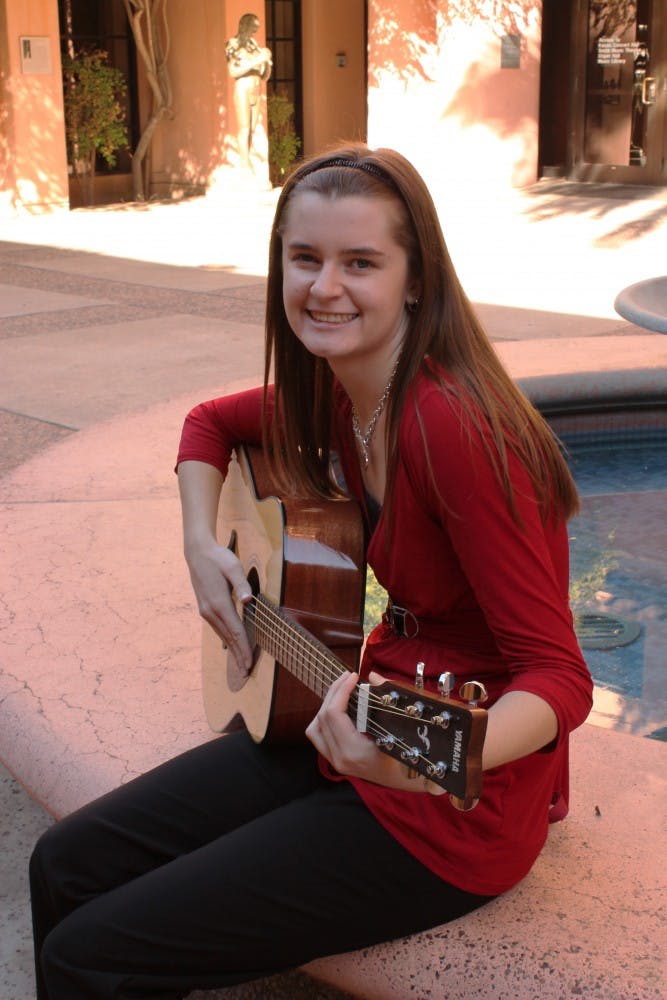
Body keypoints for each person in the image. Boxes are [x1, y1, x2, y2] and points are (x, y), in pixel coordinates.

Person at [29, 144, 593, 999]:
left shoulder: (454, 428)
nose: (323, 287)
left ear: (414, 279)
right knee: (63, 863)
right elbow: (206, 425)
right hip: (349, 709)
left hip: (449, 809)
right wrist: (201, 552)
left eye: (359, 262)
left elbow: (559, 678)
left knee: (87, 955)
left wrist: (431, 758)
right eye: (305, 258)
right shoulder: (342, 397)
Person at [225, 12, 272, 170]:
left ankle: (249, 160)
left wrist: (267, 62)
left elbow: (264, 76)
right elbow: (233, 71)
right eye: (253, 28)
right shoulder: (233, 44)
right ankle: (244, 165)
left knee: (252, 128)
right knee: (244, 128)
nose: (254, 32)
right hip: (243, 88)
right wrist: (257, 60)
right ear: (243, 25)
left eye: (256, 29)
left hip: (256, 88)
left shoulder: (254, 45)